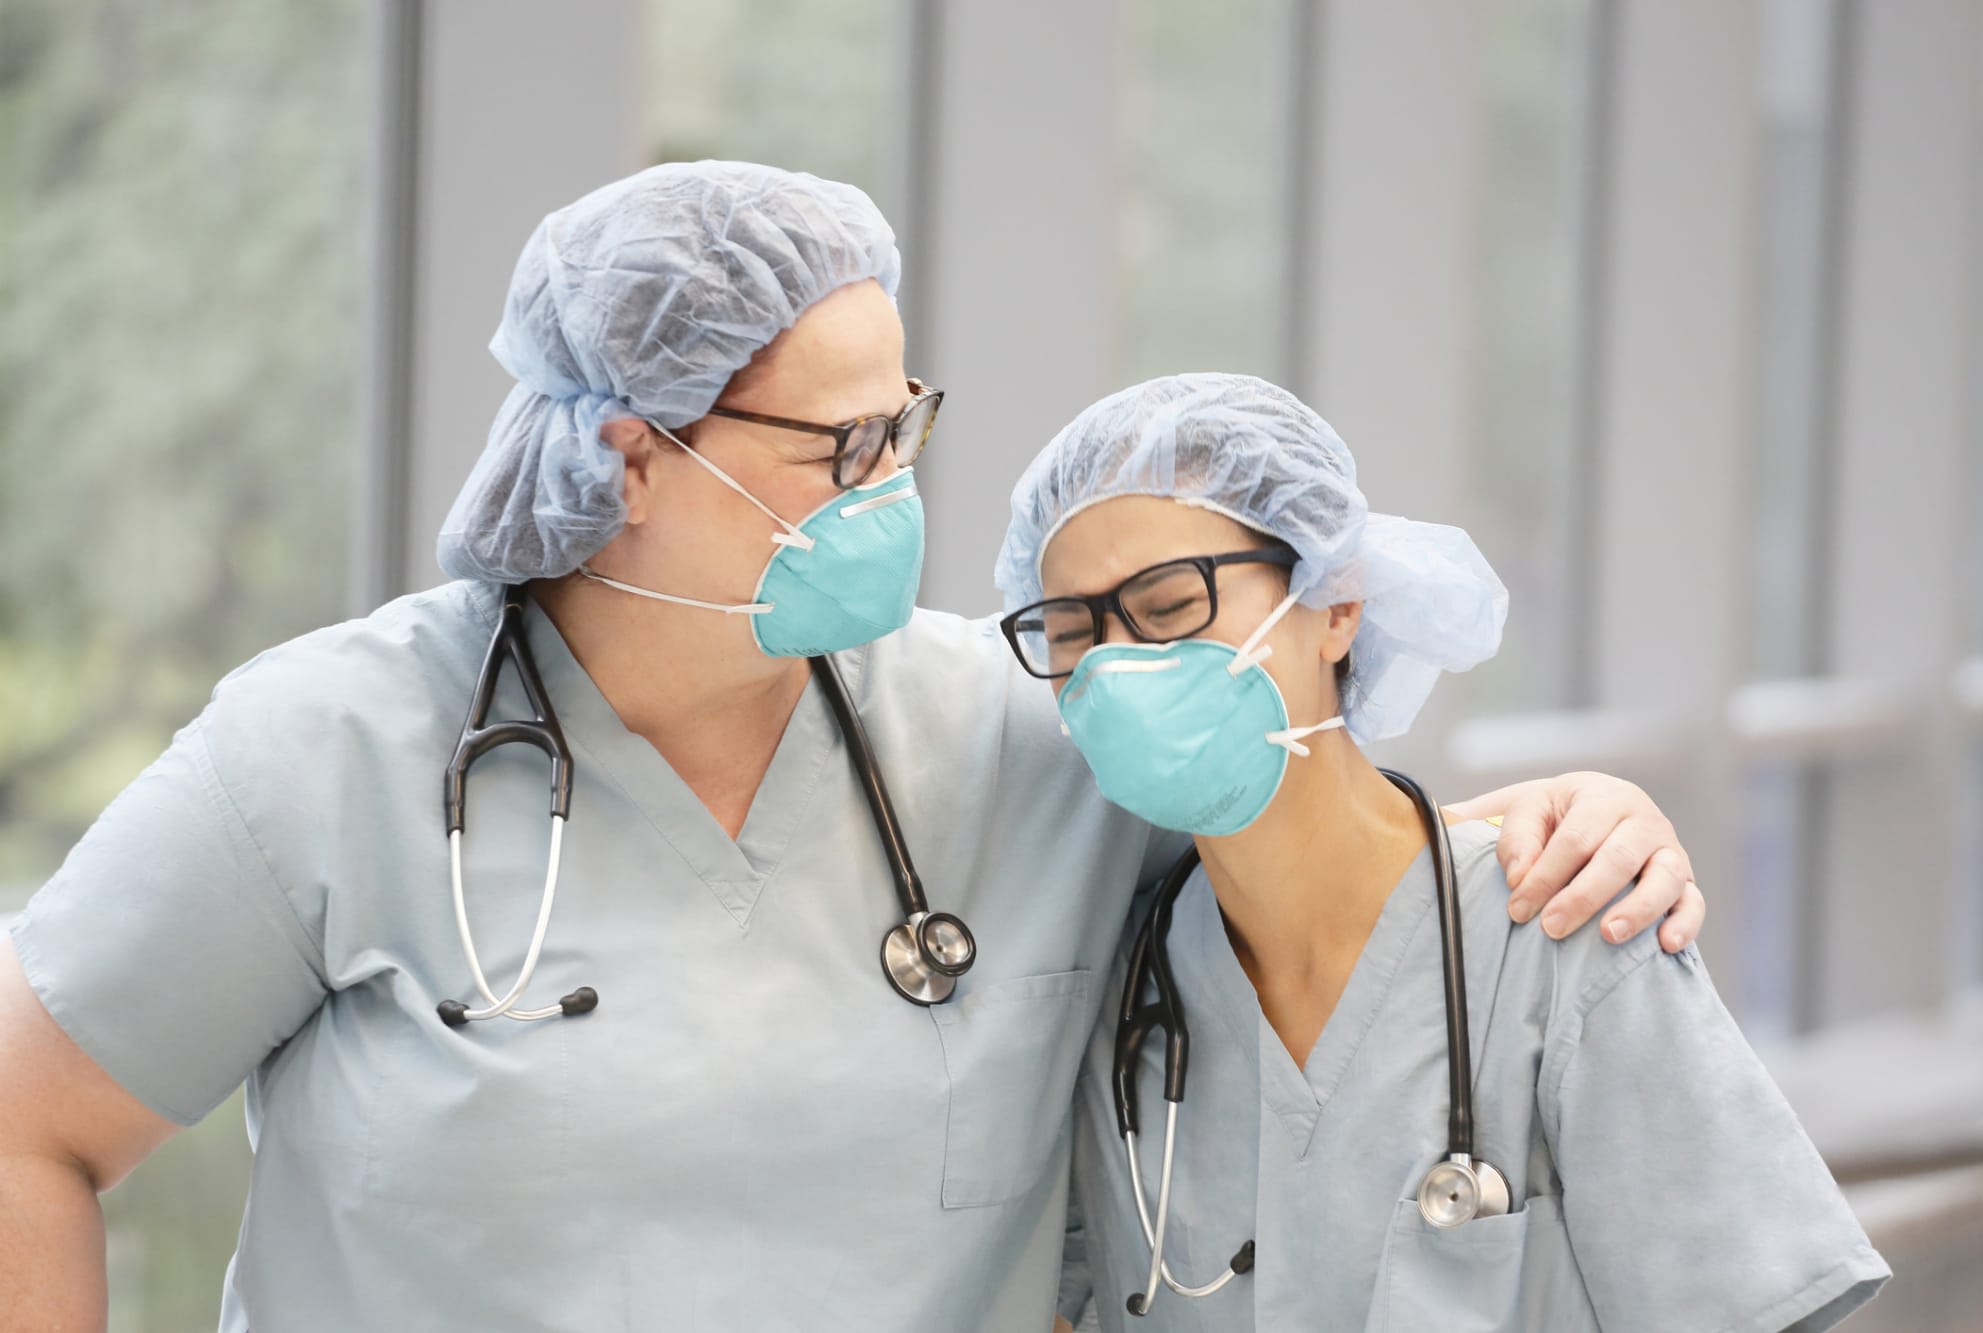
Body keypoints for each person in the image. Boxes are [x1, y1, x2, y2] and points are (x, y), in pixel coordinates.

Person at [0, 164, 1704, 1332]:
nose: (896, 483)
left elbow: (1332, 880)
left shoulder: (1017, 737)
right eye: (841, 446)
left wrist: (1570, 817)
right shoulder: (332, 748)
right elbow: (29, 1124)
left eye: (907, 423)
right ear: (632, 452)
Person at [994, 373, 1888, 1331]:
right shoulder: (1118, 997)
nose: (1119, 667)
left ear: (1336, 602)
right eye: (1074, 633)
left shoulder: (1564, 925)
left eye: (1169, 606)